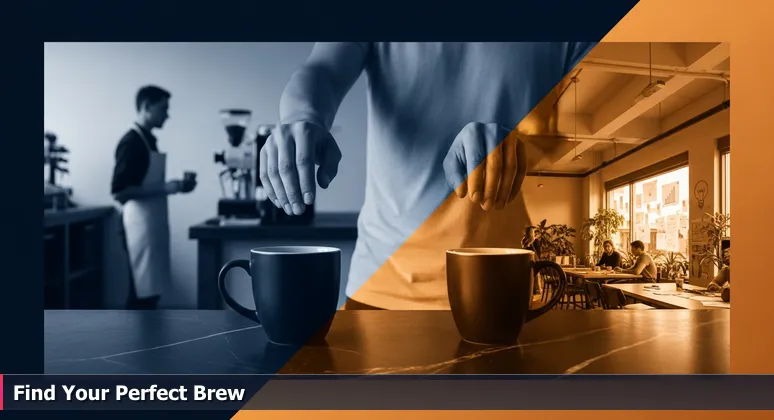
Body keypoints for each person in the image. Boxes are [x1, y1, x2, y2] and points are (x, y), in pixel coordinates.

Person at [261, 42, 595, 310]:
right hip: (382, 290)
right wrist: (301, 117)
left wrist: (518, 141)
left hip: (500, 292)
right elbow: (323, 69)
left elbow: (574, 122)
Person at [111, 85, 196, 309]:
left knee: (150, 293)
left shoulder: (147, 140)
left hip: (150, 225)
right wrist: (166, 188)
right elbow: (119, 192)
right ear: (146, 107)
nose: (167, 114)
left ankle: (146, 341)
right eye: (163, 108)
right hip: (135, 227)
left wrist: (176, 187)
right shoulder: (131, 142)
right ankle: (135, 343)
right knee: (140, 296)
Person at [521, 226, 542, 294]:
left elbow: (523, 249)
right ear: (532, 232)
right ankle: (538, 290)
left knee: (529, 275)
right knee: (536, 275)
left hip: (526, 260)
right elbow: (538, 252)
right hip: (534, 259)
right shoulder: (536, 241)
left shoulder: (523, 240)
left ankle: (531, 290)